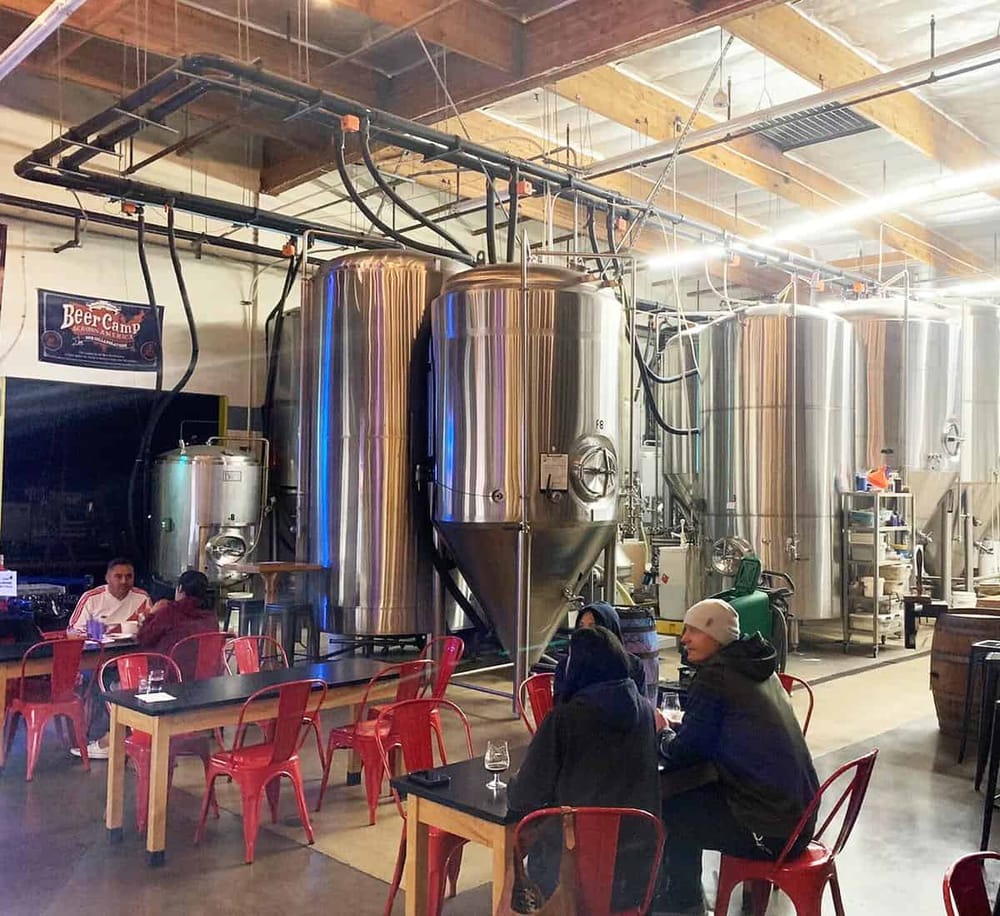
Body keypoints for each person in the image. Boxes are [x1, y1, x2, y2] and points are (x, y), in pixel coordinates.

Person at [654, 599, 820, 916]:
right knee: (692, 795)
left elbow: (687, 753)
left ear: (717, 636)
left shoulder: (715, 677)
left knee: (670, 808)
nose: (684, 639)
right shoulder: (757, 667)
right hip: (799, 819)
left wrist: (662, 733)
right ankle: (685, 897)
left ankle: (681, 902)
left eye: (694, 631)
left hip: (771, 831)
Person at [508, 625, 661, 909]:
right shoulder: (645, 713)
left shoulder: (564, 719)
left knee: (518, 842)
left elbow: (525, 795)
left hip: (572, 873)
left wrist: (513, 783)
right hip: (639, 871)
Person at [552, 601, 646, 702]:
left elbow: (640, 705)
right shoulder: (566, 666)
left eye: (592, 627)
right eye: (581, 626)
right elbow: (560, 705)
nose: (585, 633)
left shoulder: (633, 665)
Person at [136, 569, 218, 676]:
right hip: (206, 675)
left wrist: (151, 614)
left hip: (170, 675)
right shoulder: (211, 615)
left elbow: (144, 637)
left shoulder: (171, 611)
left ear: (179, 588)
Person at [67, 557, 151, 636]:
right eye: (118, 577)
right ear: (107, 578)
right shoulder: (90, 598)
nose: (124, 581)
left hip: (133, 644)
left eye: (129, 576)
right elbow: (73, 630)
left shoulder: (142, 597)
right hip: (99, 644)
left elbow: (152, 627)